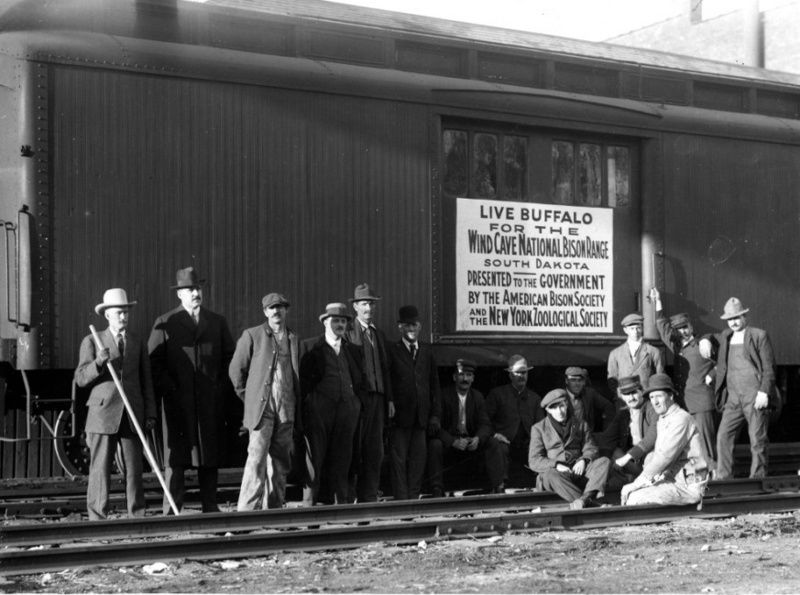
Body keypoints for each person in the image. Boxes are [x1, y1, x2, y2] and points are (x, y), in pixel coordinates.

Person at [148, 267, 236, 514]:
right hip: (178, 403)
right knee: (176, 458)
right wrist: (171, 389)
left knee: (209, 455)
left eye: (197, 288)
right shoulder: (165, 323)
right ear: (179, 295)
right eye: (189, 290)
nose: (195, 293)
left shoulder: (216, 322)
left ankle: (210, 506)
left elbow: (230, 357)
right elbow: (154, 363)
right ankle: (172, 510)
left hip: (209, 402)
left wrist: (219, 386)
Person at [75, 288, 157, 520]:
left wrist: (150, 412)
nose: (124, 317)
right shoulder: (92, 340)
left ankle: (136, 516)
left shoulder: (138, 342)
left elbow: (146, 380)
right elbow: (80, 378)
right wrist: (99, 363)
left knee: (135, 469)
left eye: (126, 312)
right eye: (119, 312)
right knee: (100, 468)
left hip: (132, 413)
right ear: (107, 315)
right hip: (102, 413)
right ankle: (97, 517)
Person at [229, 292, 299, 510]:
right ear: (265, 312)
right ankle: (246, 512)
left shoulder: (293, 338)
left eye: (280, 307)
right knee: (257, 460)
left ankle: (275, 510)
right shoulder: (252, 335)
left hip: (286, 409)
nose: (276, 311)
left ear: (286, 310)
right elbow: (236, 372)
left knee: (281, 463)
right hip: (262, 409)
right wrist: (250, 399)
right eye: (271, 308)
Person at [699, 297, 776, 479]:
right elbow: (710, 337)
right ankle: (724, 478)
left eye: (736, 318)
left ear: (744, 317)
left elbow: (769, 368)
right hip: (733, 399)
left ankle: (758, 479)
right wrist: (704, 340)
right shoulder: (726, 336)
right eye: (730, 319)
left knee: (757, 440)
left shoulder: (759, 335)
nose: (733, 322)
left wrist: (764, 391)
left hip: (754, 396)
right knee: (723, 437)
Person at [300, 302, 364, 504]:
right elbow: (303, 382)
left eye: (343, 321)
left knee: (343, 459)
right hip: (319, 409)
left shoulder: (353, 350)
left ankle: (340, 506)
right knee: (314, 459)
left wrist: (355, 404)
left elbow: (359, 379)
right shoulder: (310, 346)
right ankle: (309, 506)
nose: (340, 324)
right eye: (335, 320)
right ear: (325, 322)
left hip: (346, 410)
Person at [649, 287, 717, 470]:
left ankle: (716, 478)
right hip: (685, 402)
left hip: (702, 403)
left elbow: (723, 363)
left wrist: (712, 375)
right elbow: (663, 327)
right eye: (678, 330)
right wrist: (658, 303)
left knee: (706, 444)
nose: (683, 332)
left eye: (685, 327)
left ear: (691, 327)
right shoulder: (678, 347)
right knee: (692, 444)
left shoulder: (703, 344)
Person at [621, 373, 708, 506]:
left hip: (688, 486)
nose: (655, 402)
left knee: (635, 497)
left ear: (671, 396)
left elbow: (665, 456)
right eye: (651, 397)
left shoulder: (681, 419)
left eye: (659, 396)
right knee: (634, 494)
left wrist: (637, 483)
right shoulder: (663, 418)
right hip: (673, 480)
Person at [386, 305, 441, 500]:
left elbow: (434, 385)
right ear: (400, 327)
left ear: (420, 326)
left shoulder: (426, 351)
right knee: (399, 460)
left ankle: (413, 497)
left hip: (421, 417)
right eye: (407, 325)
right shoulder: (392, 350)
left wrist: (434, 414)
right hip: (400, 417)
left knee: (419, 460)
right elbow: (388, 381)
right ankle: (402, 500)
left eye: (415, 325)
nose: (412, 329)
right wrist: (390, 402)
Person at [426, 359, 501, 496]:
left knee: (493, 442)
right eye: (461, 375)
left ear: (473, 378)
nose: (464, 379)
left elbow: (485, 424)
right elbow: (434, 428)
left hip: (470, 443)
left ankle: (497, 487)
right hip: (451, 443)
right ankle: (436, 488)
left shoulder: (477, 397)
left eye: (468, 375)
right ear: (454, 377)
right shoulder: (443, 395)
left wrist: (477, 438)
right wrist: (452, 441)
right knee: (434, 444)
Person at [345, 283, 391, 503]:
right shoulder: (349, 331)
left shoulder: (377, 334)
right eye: (364, 304)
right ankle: (349, 495)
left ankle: (369, 497)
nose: (369, 309)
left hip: (378, 399)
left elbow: (385, 369)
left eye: (372, 304)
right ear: (355, 307)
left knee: (375, 451)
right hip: (358, 400)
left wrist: (388, 399)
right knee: (354, 449)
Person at [528, 388, 610, 509]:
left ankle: (583, 500)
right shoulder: (539, 428)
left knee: (604, 462)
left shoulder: (581, 424)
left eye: (561, 406)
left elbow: (591, 447)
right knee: (550, 474)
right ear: (547, 410)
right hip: (557, 475)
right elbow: (534, 460)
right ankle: (590, 504)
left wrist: (584, 460)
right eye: (554, 408)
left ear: (566, 404)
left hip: (578, 471)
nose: (559, 411)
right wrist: (556, 465)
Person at [485, 354, 544, 489]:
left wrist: (536, 441)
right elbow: (485, 420)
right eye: (517, 373)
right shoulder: (497, 394)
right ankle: (500, 486)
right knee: (497, 446)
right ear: (510, 375)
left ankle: (541, 485)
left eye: (524, 373)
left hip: (528, 443)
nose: (521, 376)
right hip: (504, 441)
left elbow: (541, 425)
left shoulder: (535, 398)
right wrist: (495, 434)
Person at [602, 376, 658, 487]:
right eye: (626, 394)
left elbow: (654, 434)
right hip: (634, 463)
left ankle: (645, 482)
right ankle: (631, 479)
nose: (631, 398)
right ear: (621, 396)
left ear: (641, 391)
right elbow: (607, 437)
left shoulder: (651, 408)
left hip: (651, 458)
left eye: (634, 393)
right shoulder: (624, 413)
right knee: (612, 452)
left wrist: (628, 457)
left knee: (651, 456)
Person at [607, 313, 664, 394]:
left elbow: (660, 377)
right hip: (625, 400)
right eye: (632, 328)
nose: (635, 331)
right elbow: (612, 380)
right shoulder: (615, 354)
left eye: (638, 328)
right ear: (625, 330)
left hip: (646, 398)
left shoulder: (653, 352)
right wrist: (619, 397)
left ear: (642, 328)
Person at [563, 367, 615, 433]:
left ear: (584, 382)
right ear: (566, 381)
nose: (577, 384)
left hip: (587, 436)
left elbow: (609, 407)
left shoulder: (589, 393)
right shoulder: (560, 396)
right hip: (568, 437)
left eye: (580, 380)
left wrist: (606, 431)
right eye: (573, 380)